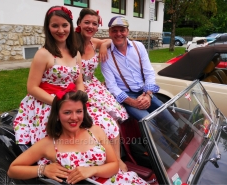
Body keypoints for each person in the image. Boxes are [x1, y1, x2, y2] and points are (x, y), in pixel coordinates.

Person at [8, 90, 149, 185]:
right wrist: (43, 169)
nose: (74, 118)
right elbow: (13, 169)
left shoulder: (96, 131)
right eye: (67, 112)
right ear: (57, 115)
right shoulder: (49, 143)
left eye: (79, 111)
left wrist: (92, 170)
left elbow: (113, 165)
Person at [13, 6, 84, 145]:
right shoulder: (43, 54)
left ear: (70, 25)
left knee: (101, 124)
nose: (61, 30)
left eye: (65, 25)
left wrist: (80, 100)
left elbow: (79, 82)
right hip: (48, 102)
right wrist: (59, 103)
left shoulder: (76, 53)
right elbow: (32, 88)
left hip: (72, 101)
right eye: (55, 26)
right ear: (48, 27)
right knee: (60, 137)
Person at [101, 16, 178, 131]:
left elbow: (149, 72)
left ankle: (179, 143)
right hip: (127, 96)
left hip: (144, 92)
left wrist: (148, 95)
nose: (118, 34)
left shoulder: (139, 47)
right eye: (114, 30)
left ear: (127, 31)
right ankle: (161, 148)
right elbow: (112, 86)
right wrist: (132, 102)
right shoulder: (106, 55)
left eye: (122, 30)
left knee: (170, 120)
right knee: (150, 126)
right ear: (109, 33)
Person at [75, 9, 129, 171]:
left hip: (94, 85)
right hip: (78, 88)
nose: (91, 26)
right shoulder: (71, 42)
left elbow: (109, 41)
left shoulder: (93, 42)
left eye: (94, 23)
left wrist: (104, 45)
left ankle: (117, 155)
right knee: (103, 122)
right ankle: (114, 160)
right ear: (79, 23)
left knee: (117, 112)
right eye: (87, 22)